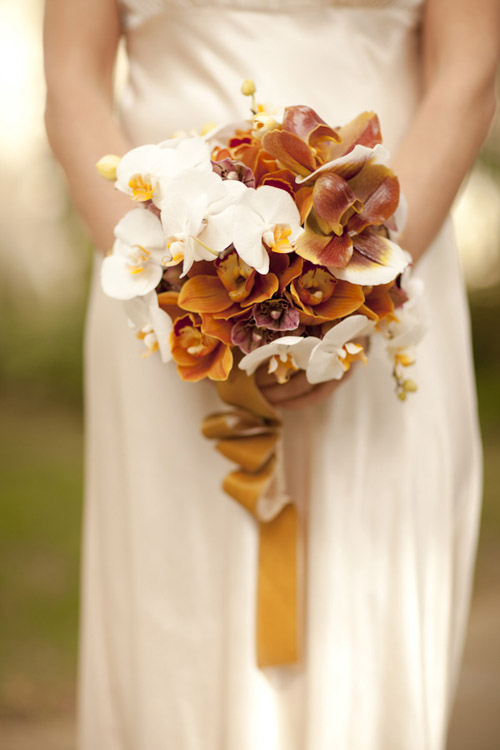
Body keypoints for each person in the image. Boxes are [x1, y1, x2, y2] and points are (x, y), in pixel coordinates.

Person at [44, 0, 499, 748]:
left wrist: (360, 286)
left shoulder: (377, 276)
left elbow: (469, 69)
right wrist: (176, 291)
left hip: (393, 269)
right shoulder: (167, 290)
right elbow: (73, 82)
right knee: (179, 612)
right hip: (164, 293)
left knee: (362, 615)